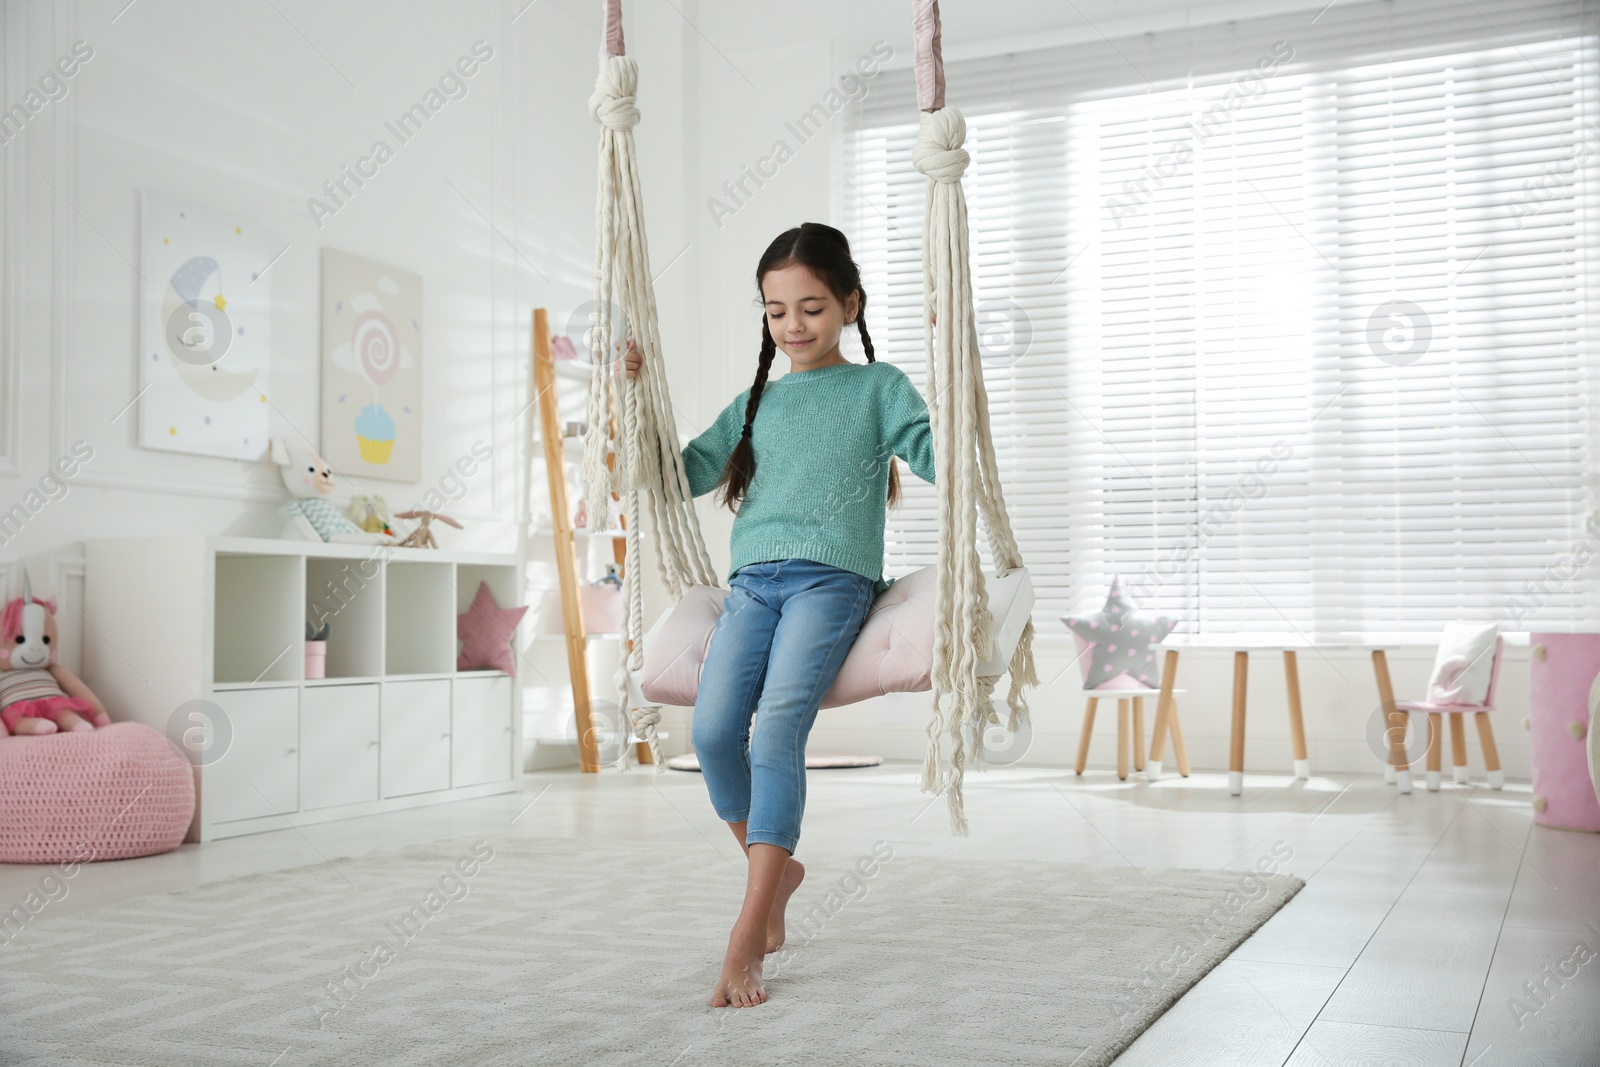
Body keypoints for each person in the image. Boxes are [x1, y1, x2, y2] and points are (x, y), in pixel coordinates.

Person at [623, 222, 935, 1008]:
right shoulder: (756, 401)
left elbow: (938, 458)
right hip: (753, 584)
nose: (793, 326)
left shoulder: (877, 387)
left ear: (850, 305)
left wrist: (963, 403)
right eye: (776, 311)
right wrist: (634, 403)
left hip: (833, 584)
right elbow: (678, 474)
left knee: (779, 727)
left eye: (813, 307)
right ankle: (780, 872)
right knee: (710, 731)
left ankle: (747, 930)